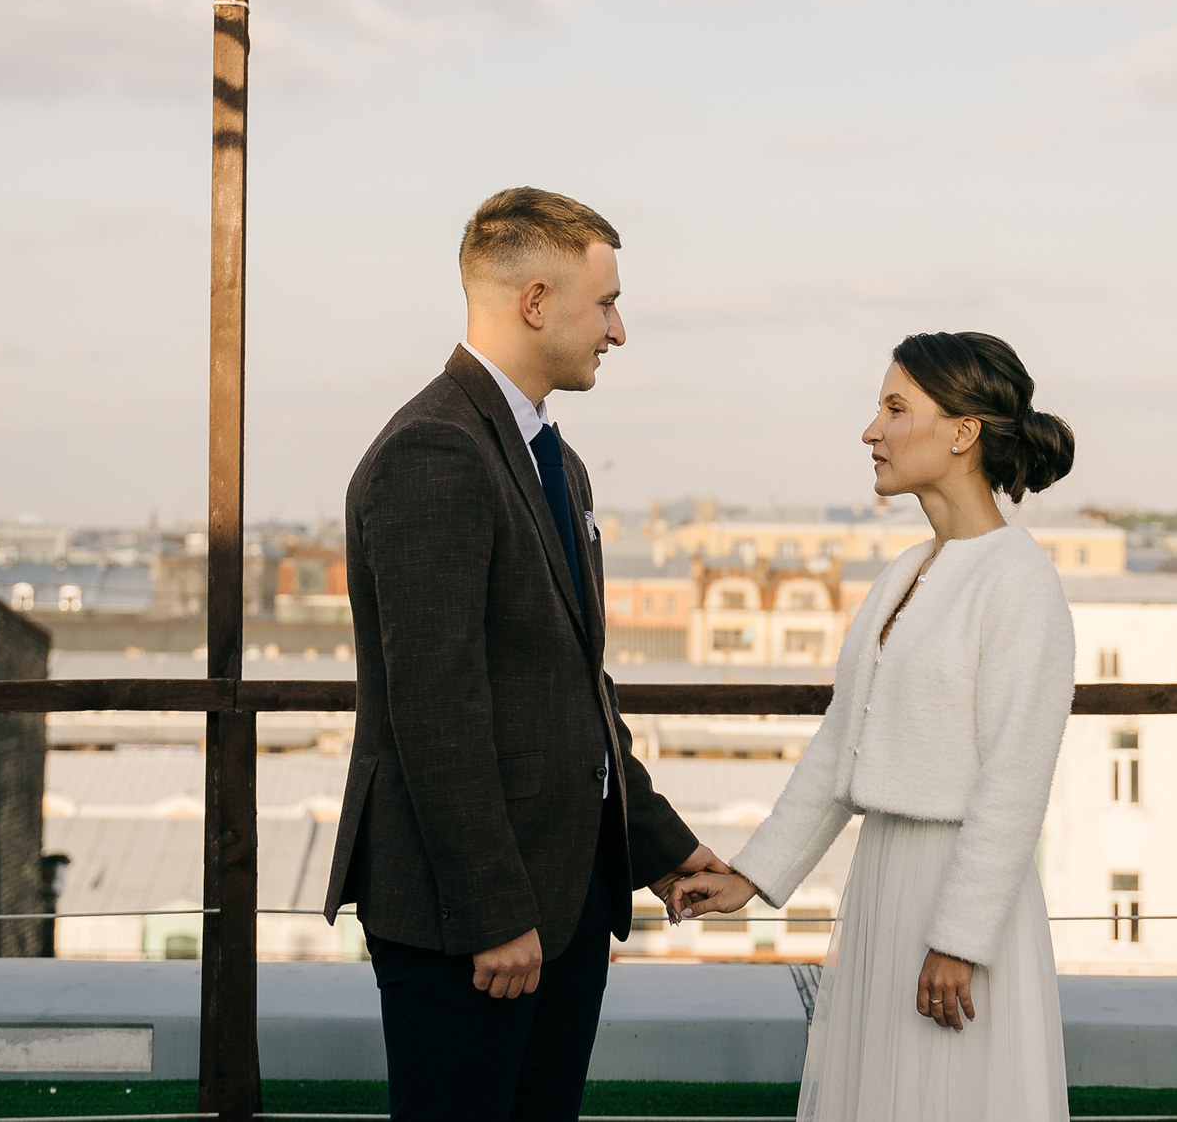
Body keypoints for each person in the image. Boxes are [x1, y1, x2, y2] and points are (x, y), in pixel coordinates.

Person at [324, 187, 724, 1122]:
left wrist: (660, 847)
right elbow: (436, 710)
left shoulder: (555, 457)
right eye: (607, 303)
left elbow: (574, 688)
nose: (618, 330)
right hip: (475, 919)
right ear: (536, 301)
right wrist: (496, 912)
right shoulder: (436, 449)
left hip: (564, 901)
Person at [669, 332, 1078, 1122]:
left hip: (961, 899)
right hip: (886, 880)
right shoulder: (905, 573)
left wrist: (960, 937)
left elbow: (1016, 780)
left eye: (896, 408)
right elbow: (839, 748)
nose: (871, 431)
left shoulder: (1021, 581)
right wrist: (749, 876)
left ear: (963, 431)